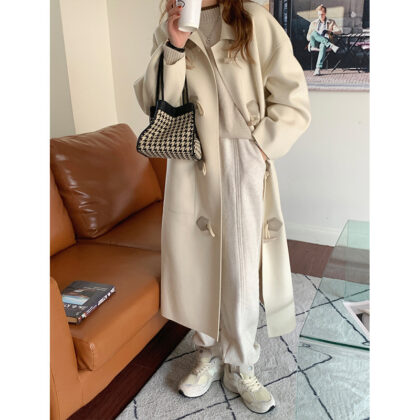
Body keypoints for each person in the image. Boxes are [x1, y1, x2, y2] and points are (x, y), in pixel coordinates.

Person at [134, 0, 310, 414]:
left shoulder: (253, 20)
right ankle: (208, 354)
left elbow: (293, 98)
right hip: (191, 162)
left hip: (241, 160)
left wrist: (260, 146)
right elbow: (153, 103)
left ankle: (241, 363)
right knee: (197, 263)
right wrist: (175, 46)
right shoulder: (170, 26)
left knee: (240, 269)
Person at [306, 4, 342, 76]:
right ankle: (331, 45)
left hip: (324, 42)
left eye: (322, 14)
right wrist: (316, 36)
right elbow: (308, 36)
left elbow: (339, 31)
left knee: (323, 45)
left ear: (325, 13)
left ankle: (317, 69)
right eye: (319, 14)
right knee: (314, 33)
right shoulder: (313, 23)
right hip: (314, 42)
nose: (320, 16)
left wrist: (330, 31)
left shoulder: (331, 22)